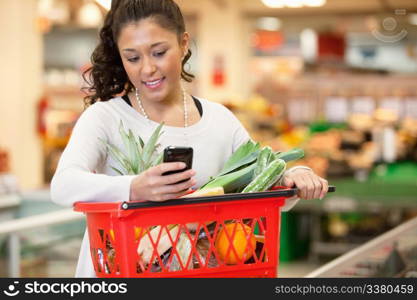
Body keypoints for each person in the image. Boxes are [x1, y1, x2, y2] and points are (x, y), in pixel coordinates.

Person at [51, 0, 328, 277]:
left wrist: (295, 176)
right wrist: (134, 188)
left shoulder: (219, 120)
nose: (147, 69)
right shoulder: (105, 117)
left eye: (158, 52)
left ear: (184, 44)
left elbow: (259, 180)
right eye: (132, 58)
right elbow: (63, 185)